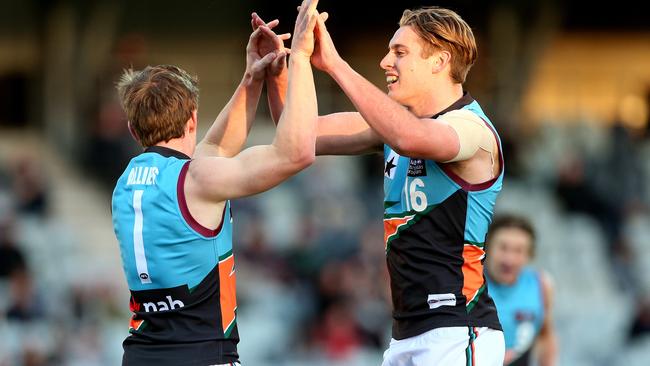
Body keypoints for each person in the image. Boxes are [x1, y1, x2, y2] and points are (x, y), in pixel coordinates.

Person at [254, 5, 505, 365]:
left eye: (400, 52)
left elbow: (409, 136)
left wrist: (335, 64)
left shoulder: (473, 129)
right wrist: (282, 68)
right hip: (407, 334)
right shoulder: (394, 128)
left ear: (439, 61)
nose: (386, 62)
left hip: (458, 331)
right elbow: (296, 133)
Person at [111, 1, 321, 364]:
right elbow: (297, 153)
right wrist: (300, 60)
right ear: (193, 118)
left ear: (133, 130)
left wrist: (252, 78)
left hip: (142, 354)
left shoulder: (127, 181)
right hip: (202, 354)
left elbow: (215, 147)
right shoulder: (197, 178)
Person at [485, 215, 557, 366]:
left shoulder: (541, 284)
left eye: (518, 250)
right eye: (503, 248)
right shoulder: (469, 285)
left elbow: (545, 336)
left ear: (530, 255)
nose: (509, 259)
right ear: (487, 248)